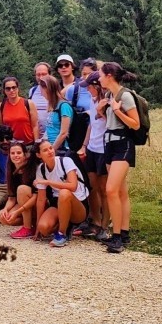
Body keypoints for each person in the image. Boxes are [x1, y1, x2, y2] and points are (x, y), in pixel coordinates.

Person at [99, 61, 141, 254]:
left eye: (100, 74)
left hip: (123, 145)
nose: (98, 78)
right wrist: (102, 110)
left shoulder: (125, 96)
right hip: (109, 143)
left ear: (109, 75)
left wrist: (116, 110)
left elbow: (135, 124)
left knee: (111, 190)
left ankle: (116, 237)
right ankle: (124, 233)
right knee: (121, 192)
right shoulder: (109, 95)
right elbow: (109, 121)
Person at [71, 71, 109, 240]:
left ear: (96, 86)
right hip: (92, 148)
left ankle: (105, 225)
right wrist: (84, 145)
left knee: (104, 190)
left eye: (89, 87)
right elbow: (91, 126)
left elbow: (110, 123)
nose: (87, 90)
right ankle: (96, 220)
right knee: (92, 187)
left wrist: (102, 111)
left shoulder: (106, 102)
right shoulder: (94, 102)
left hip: (104, 149)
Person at [33, 139, 89, 247]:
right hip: (58, 204)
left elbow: (73, 186)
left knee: (64, 193)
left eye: (50, 148)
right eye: (45, 150)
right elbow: (41, 199)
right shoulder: (41, 169)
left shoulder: (65, 161)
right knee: (43, 228)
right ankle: (65, 225)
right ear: (39, 155)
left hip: (78, 205)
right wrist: (37, 227)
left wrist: (48, 182)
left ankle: (62, 234)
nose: (50, 151)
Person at [0, 141, 40, 239]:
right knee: (2, 216)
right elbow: (11, 198)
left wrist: (17, 211)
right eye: (12, 153)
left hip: (37, 202)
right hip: (23, 203)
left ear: (25, 154)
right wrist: (5, 209)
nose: (15, 155)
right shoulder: (11, 170)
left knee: (22, 189)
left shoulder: (33, 168)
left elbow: (36, 196)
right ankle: (32, 224)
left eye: (19, 153)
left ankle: (27, 227)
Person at [0, 75, 39, 143]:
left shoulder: (28, 104)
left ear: (18, 88)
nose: (11, 90)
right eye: (8, 88)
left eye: (14, 87)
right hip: (11, 146)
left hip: (28, 144)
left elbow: (35, 126)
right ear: (4, 91)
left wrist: (36, 144)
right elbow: (2, 127)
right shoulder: (2, 106)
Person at [39, 74, 73, 148]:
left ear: (48, 89)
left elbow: (64, 133)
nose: (41, 94)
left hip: (60, 148)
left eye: (42, 90)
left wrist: (53, 149)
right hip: (49, 146)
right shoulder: (52, 106)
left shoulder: (64, 106)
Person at [28, 61, 52, 134]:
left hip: (52, 135)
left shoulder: (56, 91)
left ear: (50, 75)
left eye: (44, 74)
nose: (41, 77)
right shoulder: (32, 91)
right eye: (38, 74)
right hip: (36, 134)